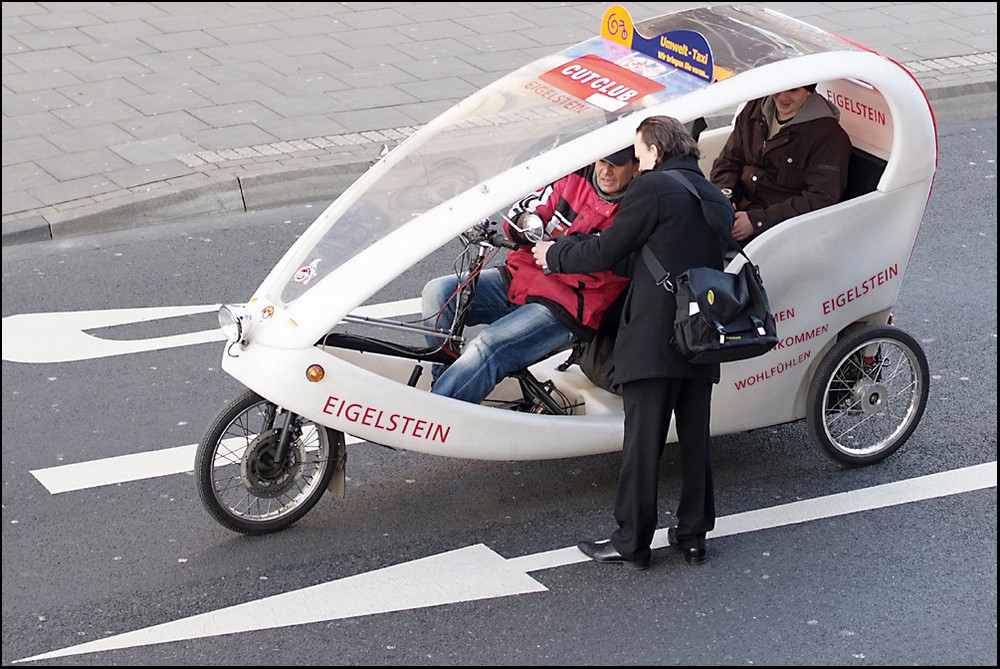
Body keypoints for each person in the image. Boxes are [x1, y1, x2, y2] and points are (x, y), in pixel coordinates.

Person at [532, 115, 734, 569]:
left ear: (656, 150)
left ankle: (632, 541)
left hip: (654, 336)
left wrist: (555, 254)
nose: (637, 165)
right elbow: (657, 255)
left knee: (644, 444)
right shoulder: (712, 198)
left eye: (640, 154)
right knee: (696, 440)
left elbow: (608, 250)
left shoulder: (652, 189)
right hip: (701, 334)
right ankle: (694, 535)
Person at [421, 148, 638, 405]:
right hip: (521, 279)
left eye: (616, 165)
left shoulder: (638, 205)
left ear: (636, 167)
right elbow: (520, 213)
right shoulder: (574, 175)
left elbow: (600, 262)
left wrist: (556, 252)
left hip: (567, 307)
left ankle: (438, 409)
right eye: (602, 161)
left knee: (489, 344)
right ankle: (448, 386)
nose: (605, 171)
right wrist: (526, 224)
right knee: (438, 293)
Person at [710, 85, 852, 242]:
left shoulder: (829, 136)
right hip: (738, 209)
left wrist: (757, 221)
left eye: (793, 90)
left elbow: (821, 197)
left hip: (780, 230)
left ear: (808, 91)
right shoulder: (754, 108)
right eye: (779, 88)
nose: (783, 97)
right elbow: (729, 160)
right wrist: (724, 196)